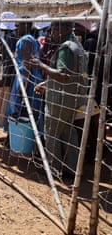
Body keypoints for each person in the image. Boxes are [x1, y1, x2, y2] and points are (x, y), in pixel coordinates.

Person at [27, 18, 88, 175]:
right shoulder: (77, 46)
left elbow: (63, 75)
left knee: (51, 133)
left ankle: (53, 168)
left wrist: (40, 65)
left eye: (54, 30)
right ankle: (71, 168)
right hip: (71, 97)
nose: (51, 33)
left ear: (65, 29)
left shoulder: (66, 48)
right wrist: (46, 85)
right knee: (68, 132)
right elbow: (72, 75)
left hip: (60, 100)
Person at [5, 18, 44, 147]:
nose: (17, 28)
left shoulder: (25, 41)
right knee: (33, 110)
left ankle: (20, 142)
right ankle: (31, 142)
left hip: (26, 78)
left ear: (26, 26)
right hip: (33, 77)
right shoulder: (33, 40)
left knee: (19, 108)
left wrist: (23, 88)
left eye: (19, 25)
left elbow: (27, 65)